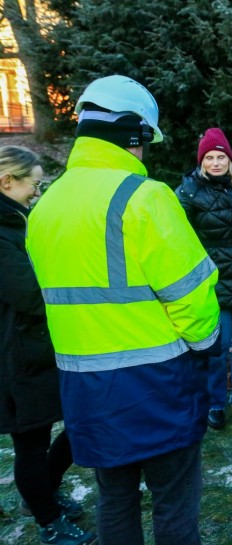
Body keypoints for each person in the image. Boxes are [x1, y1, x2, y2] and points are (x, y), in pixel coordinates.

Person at [25, 75, 221, 545]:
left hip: (85, 390)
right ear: (133, 136)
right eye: (144, 143)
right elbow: (193, 295)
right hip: (158, 385)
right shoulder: (145, 197)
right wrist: (206, 346)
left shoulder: (44, 208)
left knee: (114, 500)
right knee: (173, 501)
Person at [0, 146, 95, 545]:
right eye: (33, 184)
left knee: (79, 423)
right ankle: (47, 519)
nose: (37, 193)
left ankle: (42, 492)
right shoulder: (4, 230)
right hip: (18, 357)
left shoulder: (17, 220)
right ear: (7, 182)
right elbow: (30, 294)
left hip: (40, 351)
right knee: (31, 443)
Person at [176, 127, 232, 429]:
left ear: (229, 160)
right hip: (213, 280)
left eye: (221, 157)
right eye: (210, 157)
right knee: (219, 344)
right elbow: (179, 236)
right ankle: (214, 402)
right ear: (201, 161)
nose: (216, 163)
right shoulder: (189, 192)